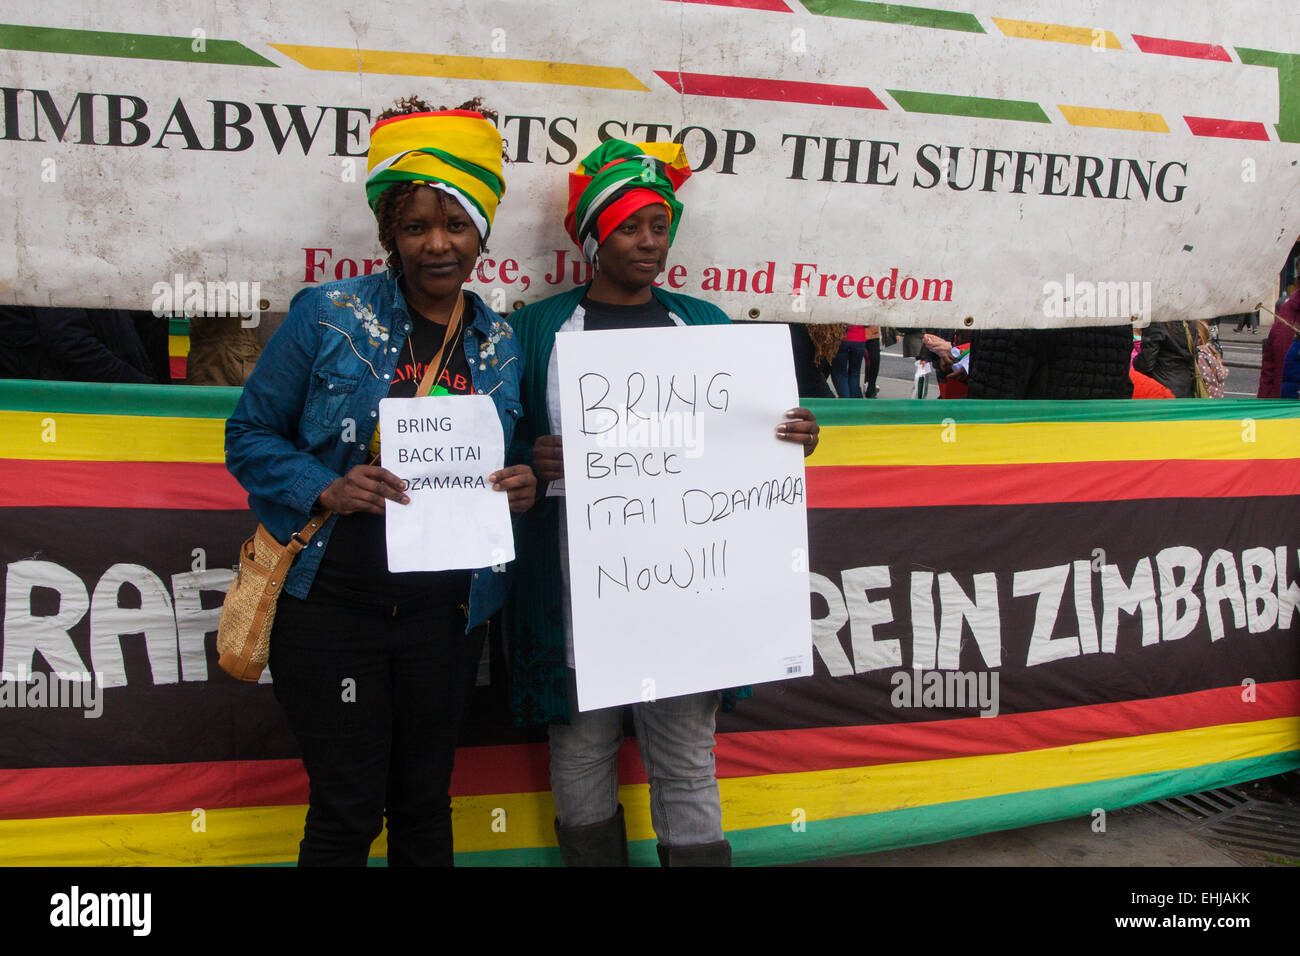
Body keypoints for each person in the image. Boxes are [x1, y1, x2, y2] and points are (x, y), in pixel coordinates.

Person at [224, 98, 536, 866]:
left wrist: (520, 485)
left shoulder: (498, 342)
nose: (437, 243)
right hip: (334, 611)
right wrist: (323, 485)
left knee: (426, 807)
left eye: (456, 225)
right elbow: (247, 437)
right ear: (389, 234)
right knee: (347, 811)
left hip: (445, 618)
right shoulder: (326, 316)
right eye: (416, 225)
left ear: (481, 234)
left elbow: (503, 461)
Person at [504, 139, 819, 867]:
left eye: (659, 225)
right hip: (576, 587)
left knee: (685, 754)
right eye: (629, 228)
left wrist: (799, 435)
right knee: (580, 747)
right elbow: (502, 445)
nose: (650, 243)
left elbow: (751, 440)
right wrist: (530, 459)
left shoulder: (705, 324)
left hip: (690, 594)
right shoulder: (538, 330)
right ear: (591, 237)